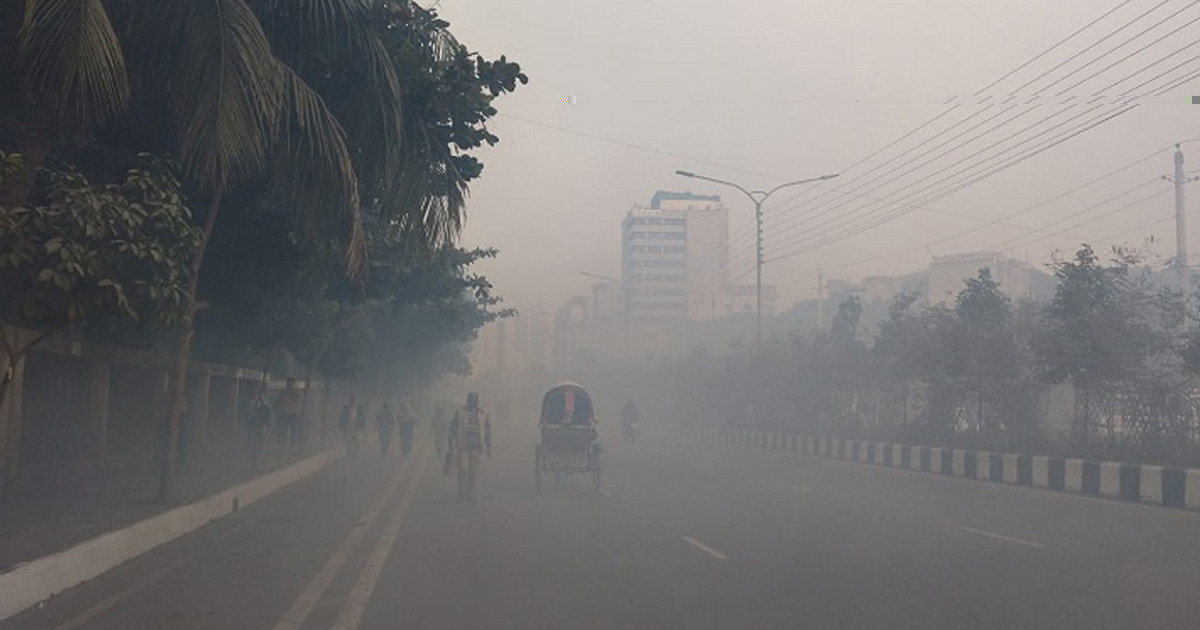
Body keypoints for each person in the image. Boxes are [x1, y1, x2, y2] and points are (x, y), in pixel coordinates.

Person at [448, 392, 491, 503]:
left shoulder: (483, 414)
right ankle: (461, 492)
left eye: (474, 401)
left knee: (474, 472)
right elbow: (453, 427)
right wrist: (450, 443)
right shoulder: (460, 412)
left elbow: (487, 431)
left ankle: (471, 494)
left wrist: (488, 446)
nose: (472, 403)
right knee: (463, 469)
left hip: (477, 446)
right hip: (463, 446)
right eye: (471, 401)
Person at [246, 388, 272, 469]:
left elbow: (266, 413)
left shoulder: (263, 402)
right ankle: (251, 459)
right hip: (252, 424)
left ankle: (256, 459)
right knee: (251, 440)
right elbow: (249, 414)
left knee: (259, 441)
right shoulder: (251, 402)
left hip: (259, 425)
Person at [275, 378, 303, 450]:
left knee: (293, 431)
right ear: (286, 384)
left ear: (293, 384)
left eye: (291, 384)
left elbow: (299, 396)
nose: (290, 385)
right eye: (288, 384)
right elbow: (278, 401)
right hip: (284, 414)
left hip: (293, 414)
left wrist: (293, 392)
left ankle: (292, 446)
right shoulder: (282, 392)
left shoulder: (295, 392)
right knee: (283, 431)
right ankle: (282, 446)